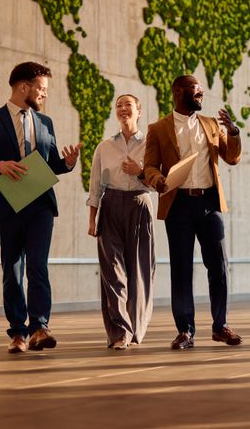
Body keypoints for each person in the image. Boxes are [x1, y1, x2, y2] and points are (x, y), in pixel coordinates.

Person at [0, 62, 80, 354]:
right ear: (23, 87)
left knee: (38, 266)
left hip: (41, 204)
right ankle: (17, 332)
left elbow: (53, 163)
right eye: (41, 89)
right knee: (12, 269)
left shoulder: (46, 123)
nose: (44, 95)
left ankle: (40, 328)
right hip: (7, 204)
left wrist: (67, 164)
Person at [143, 75, 244, 350]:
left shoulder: (211, 124)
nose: (200, 95)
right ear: (178, 92)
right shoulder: (158, 129)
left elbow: (232, 158)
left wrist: (233, 132)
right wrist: (158, 180)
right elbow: (149, 166)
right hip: (179, 206)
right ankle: (185, 331)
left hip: (210, 204)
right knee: (182, 269)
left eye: (201, 91)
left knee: (219, 267)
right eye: (194, 91)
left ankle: (220, 326)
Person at [87, 94, 155, 350]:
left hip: (140, 204)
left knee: (138, 271)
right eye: (118, 105)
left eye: (128, 104)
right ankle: (119, 332)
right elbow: (96, 186)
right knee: (112, 272)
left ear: (139, 111)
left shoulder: (150, 145)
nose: (123, 108)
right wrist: (92, 218)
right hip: (111, 206)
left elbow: (162, 184)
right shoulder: (104, 147)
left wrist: (140, 173)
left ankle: (134, 328)